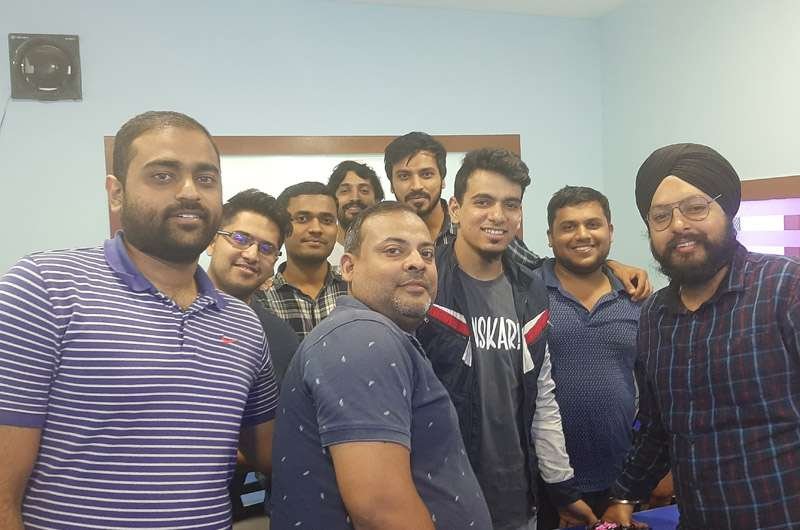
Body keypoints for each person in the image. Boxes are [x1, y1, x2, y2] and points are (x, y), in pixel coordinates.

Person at [0, 111, 278, 529]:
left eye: (206, 178)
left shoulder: (243, 324)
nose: (190, 192)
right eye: (163, 176)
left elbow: (271, 453)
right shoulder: (45, 288)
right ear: (116, 193)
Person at [603, 143, 800, 529]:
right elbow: (656, 428)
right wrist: (624, 495)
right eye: (661, 216)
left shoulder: (786, 287)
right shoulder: (654, 316)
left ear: (727, 211)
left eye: (695, 207)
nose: (678, 225)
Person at [270, 202, 493, 530]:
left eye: (427, 253)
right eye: (393, 250)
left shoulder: (383, 334)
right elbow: (380, 510)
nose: (417, 262)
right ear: (349, 267)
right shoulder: (361, 335)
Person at [417, 148, 598, 530]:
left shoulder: (531, 288)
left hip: (519, 503)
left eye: (510, 204)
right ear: (455, 209)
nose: (498, 216)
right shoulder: (425, 285)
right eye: (483, 202)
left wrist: (562, 487)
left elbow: (542, 397)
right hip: (442, 503)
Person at [384, 131, 653, 301]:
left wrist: (609, 266)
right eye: (404, 176)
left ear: (442, 180)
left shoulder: (483, 229)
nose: (416, 185)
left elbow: (543, 266)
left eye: (426, 174)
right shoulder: (382, 235)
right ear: (392, 183)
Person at [534, 186, 642, 529]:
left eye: (593, 224)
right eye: (568, 227)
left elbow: (653, 392)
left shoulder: (636, 298)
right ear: (550, 237)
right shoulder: (526, 292)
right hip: (544, 483)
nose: (582, 235)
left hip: (621, 480)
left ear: (610, 230)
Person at [206, 188, 299, 383]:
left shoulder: (280, 337)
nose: (252, 255)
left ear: (275, 260)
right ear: (212, 242)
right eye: (240, 239)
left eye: (266, 248)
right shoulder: (166, 313)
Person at [254, 182, 348, 339]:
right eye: (302, 218)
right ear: (282, 227)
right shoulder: (260, 298)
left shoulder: (354, 286)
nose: (316, 229)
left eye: (327, 220)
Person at [327, 160, 385, 266]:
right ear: (331, 201)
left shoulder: (388, 252)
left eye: (364, 191)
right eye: (345, 191)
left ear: (377, 200)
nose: (355, 198)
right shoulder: (322, 255)